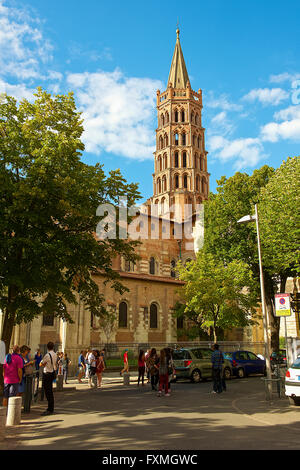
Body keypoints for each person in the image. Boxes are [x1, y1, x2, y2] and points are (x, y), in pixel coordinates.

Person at [39, 342, 57, 415]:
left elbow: (41, 364)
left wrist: (43, 363)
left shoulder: (47, 355)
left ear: (47, 347)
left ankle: (50, 409)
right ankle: (51, 407)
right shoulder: (55, 354)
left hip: (47, 373)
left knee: (48, 391)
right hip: (52, 373)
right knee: (50, 391)